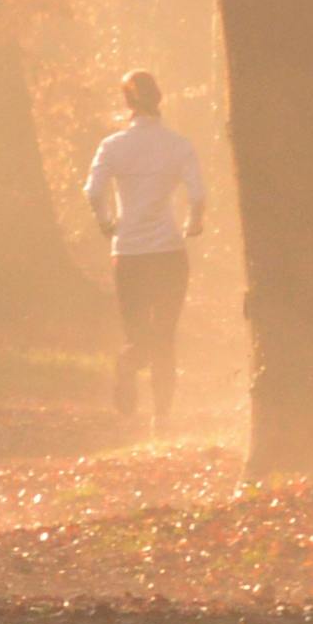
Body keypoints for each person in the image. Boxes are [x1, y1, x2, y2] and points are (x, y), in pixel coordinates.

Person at [83, 70, 207, 427]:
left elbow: (92, 191)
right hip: (169, 252)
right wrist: (193, 223)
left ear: (127, 103)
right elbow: (197, 194)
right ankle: (162, 417)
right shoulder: (179, 145)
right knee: (166, 334)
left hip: (129, 253)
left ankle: (128, 362)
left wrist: (106, 221)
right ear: (160, 100)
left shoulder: (113, 146)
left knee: (138, 334)